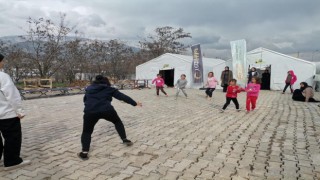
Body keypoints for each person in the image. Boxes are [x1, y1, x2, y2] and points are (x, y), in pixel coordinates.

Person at [78, 75, 142, 160]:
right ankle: (125, 139)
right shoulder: (109, 89)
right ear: (106, 82)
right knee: (117, 122)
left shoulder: (89, 89)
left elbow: (85, 100)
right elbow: (122, 97)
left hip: (90, 112)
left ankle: (84, 153)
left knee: (87, 131)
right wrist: (134, 103)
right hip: (107, 110)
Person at [0, 53, 31, 170]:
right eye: (2, 61)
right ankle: (12, 161)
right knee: (12, 137)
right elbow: (12, 96)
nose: (3, 63)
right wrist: (19, 111)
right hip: (6, 114)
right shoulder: (2, 76)